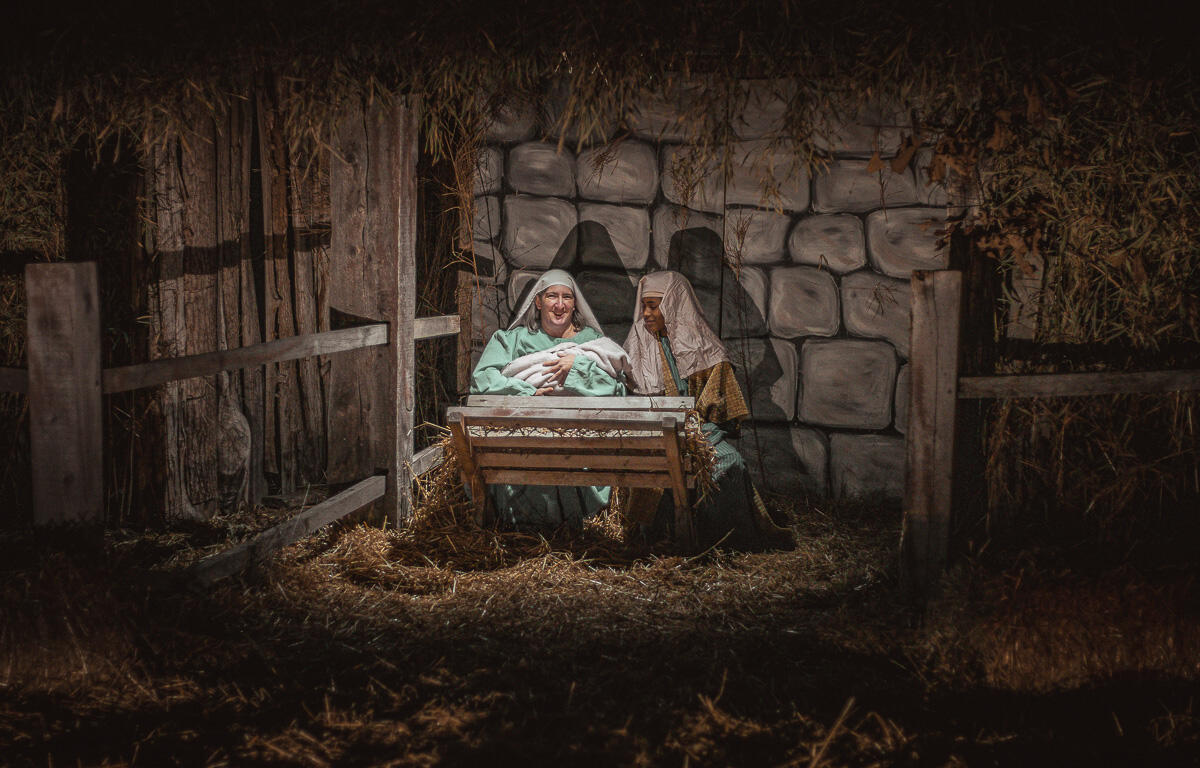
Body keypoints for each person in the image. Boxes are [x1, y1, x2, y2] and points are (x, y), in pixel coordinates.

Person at [622, 270, 796, 550]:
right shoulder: (636, 347)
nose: (646, 314)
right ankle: (662, 539)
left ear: (674, 305)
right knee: (653, 474)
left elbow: (720, 412)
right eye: (643, 306)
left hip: (700, 435)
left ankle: (719, 542)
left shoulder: (706, 351)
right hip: (653, 435)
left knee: (729, 463)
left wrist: (696, 435)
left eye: (653, 306)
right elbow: (629, 401)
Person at [470, 269, 630, 529]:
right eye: (552, 296)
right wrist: (527, 392)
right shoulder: (512, 340)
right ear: (537, 302)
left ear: (574, 303)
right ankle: (522, 527)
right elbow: (482, 380)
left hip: (579, 438)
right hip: (524, 434)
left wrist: (577, 369)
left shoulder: (594, 344)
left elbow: (617, 391)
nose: (559, 304)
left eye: (567, 297)